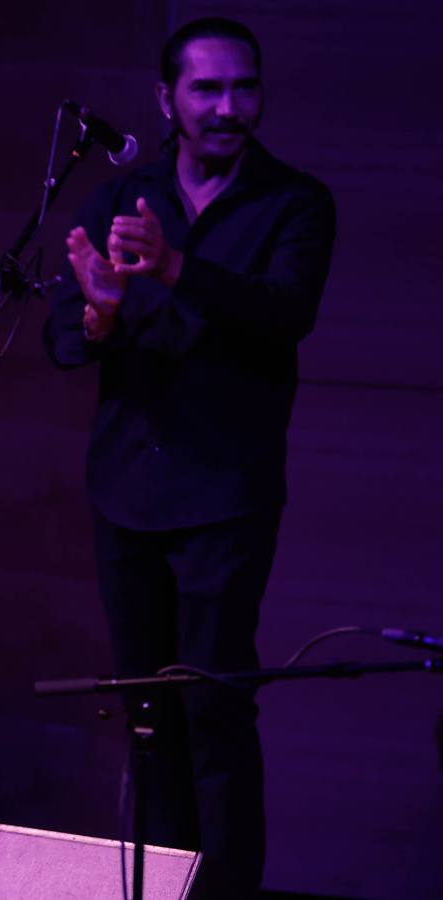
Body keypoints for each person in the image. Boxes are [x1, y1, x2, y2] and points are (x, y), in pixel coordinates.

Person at [43, 17, 336, 899]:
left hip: (225, 492)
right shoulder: (122, 195)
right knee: (147, 713)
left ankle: (227, 895)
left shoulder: (295, 202)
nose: (228, 107)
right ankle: (163, 890)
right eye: (207, 90)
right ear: (168, 99)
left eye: (244, 87)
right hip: (127, 485)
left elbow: (283, 312)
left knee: (213, 705)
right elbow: (66, 337)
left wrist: (175, 270)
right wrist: (98, 313)